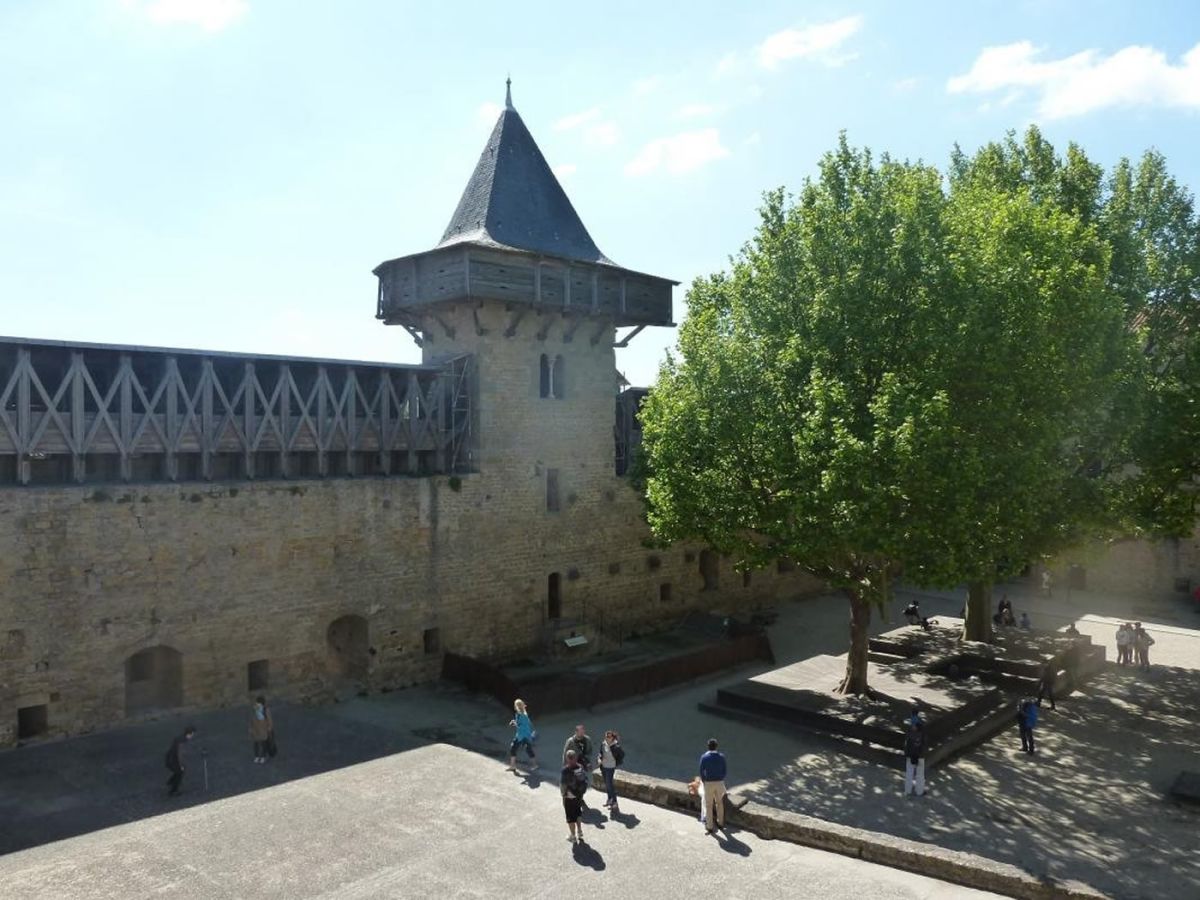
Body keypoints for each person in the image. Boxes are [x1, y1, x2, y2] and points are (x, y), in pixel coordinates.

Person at [699, 738, 727, 834]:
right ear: (716, 746)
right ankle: (720, 823)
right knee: (719, 803)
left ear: (708, 746)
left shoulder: (704, 757)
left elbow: (701, 771)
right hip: (719, 782)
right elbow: (724, 771)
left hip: (709, 783)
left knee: (708, 805)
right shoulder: (722, 757)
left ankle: (709, 826)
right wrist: (720, 778)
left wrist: (704, 781)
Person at [563, 724, 594, 809]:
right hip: (573, 765)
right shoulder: (570, 741)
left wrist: (587, 761)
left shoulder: (587, 739)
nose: (582, 733)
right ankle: (578, 799)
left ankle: (580, 798)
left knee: (583, 783)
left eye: (583, 731)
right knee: (574, 783)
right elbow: (565, 753)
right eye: (580, 732)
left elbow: (590, 751)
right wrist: (565, 765)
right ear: (576, 732)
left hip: (583, 766)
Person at [560, 749, 586, 844]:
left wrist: (563, 795)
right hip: (579, 795)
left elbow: (563, 785)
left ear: (567, 758)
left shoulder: (565, 770)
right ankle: (579, 831)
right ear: (576, 758)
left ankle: (573, 836)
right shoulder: (580, 767)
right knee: (578, 813)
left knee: (570, 817)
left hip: (569, 797)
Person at [507, 699, 538, 771]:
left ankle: (513, 766)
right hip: (522, 735)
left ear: (518, 706)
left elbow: (522, 726)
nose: (514, 707)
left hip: (523, 735)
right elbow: (520, 724)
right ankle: (513, 766)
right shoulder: (519, 714)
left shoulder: (523, 715)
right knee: (524, 749)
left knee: (517, 749)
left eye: (515, 705)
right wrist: (514, 721)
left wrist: (514, 724)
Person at [165, 725, 196, 796]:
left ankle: (171, 781)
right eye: (193, 734)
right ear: (190, 733)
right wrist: (181, 765)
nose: (193, 736)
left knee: (178, 772)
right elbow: (180, 754)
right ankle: (173, 790)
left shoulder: (180, 738)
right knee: (180, 774)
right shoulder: (182, 741)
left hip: (170, 758)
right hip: (173, 760)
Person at [903, 714, 927, 797]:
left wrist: (906, 754)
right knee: (920, 775)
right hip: (920, 756)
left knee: (909, 773)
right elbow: (924, 745)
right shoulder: (922, 733)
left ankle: (907, 790)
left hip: (910, 755)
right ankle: (919, 791)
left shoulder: (909, 733)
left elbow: (906, 745)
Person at [599, 729, 623, 812]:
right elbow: (601, 753)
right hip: (603, 766)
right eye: (606, 736)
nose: (607, 738)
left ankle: (614, 802)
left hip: (610, 767)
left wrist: (616, 763)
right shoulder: (603, 744)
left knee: (610, 784)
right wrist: (599, 759)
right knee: (607, 784)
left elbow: (622, 755)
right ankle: (610, 800)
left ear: (612, 738)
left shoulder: (616, 746)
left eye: (609, 737)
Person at [249, 696, 274, 764]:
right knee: (256, 743)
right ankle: (257, 756)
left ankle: (263, 757)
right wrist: (251, 728)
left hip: (263, 728)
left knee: (263, 743)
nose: (257, 704)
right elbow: (252, 719)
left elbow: (269, 719)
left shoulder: (266, 709)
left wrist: (269, 727)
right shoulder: (255, 709)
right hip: (256, 728)